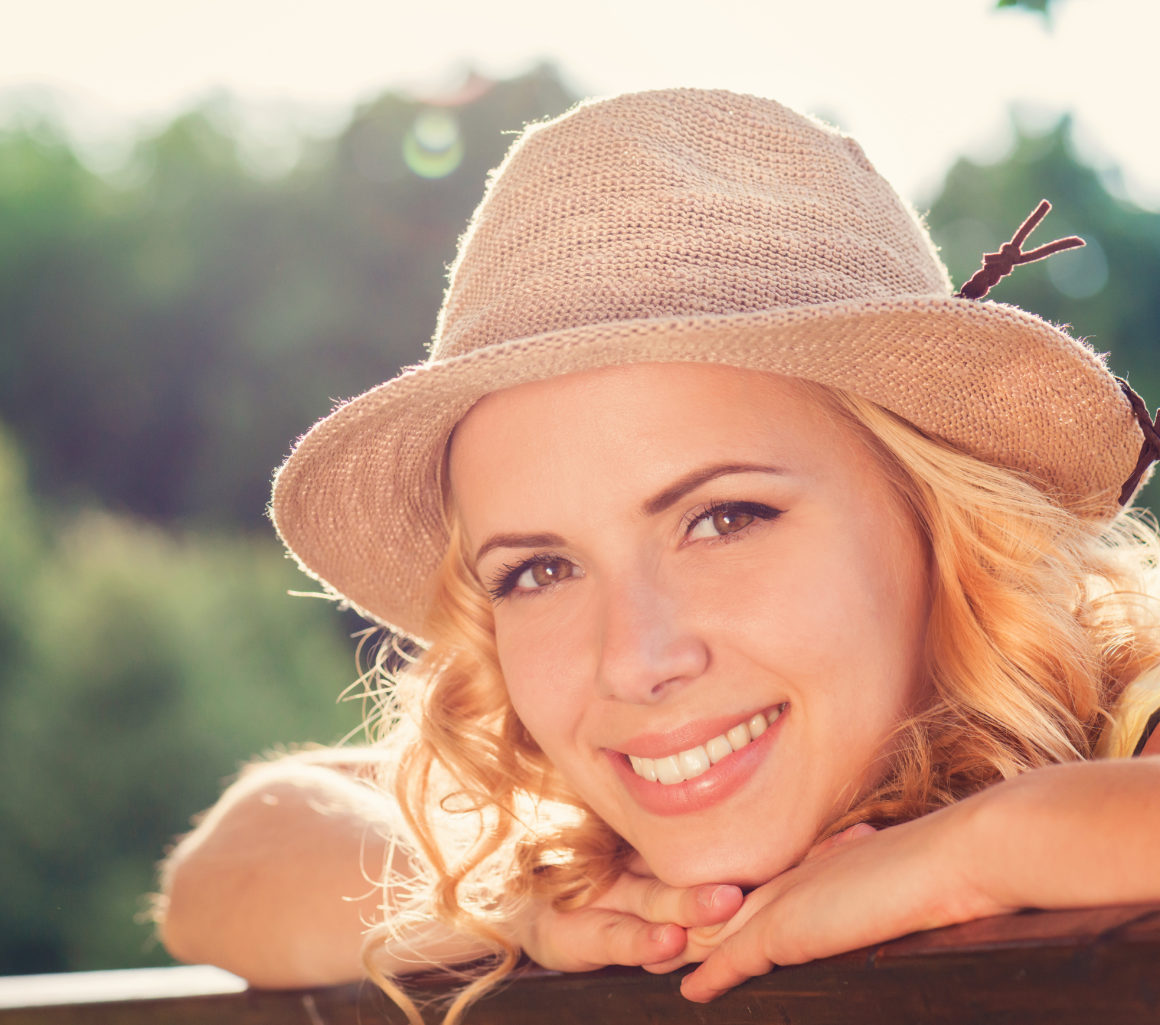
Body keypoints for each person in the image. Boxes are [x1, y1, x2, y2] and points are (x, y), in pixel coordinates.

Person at [156, 89, 1160, 1023]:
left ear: (935, 513)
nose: (636, 657)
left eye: (724, 519)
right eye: (538, 570)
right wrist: (507, 909)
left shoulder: (1125, 714)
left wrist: (976, 853)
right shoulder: (609, 860)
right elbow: (228, 869)